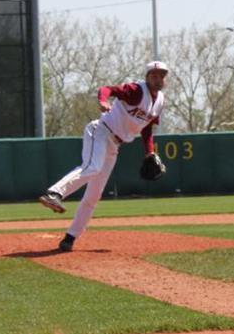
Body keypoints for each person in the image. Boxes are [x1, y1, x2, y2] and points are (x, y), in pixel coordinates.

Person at [38, 61, 169, 252]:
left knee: (94, 194)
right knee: (92, 167)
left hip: (114, 145)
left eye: (162, 75)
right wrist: (103, 100)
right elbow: (107, 89)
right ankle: (54, 193)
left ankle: (70, 238)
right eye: (155, 75)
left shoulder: (160, 101)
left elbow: (147, 127)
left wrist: (149, 151)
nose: (159, 79)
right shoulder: (136, 91)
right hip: (100, 131)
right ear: (147, 76)